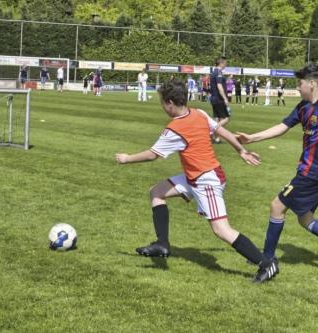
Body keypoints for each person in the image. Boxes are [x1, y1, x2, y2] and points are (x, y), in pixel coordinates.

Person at [115, 79, 278, 283]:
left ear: (170, 103)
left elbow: (152, 155)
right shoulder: (198, 113)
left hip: (206, 180)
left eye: (162, 103)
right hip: (199, 176)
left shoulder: (175, 128)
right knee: (157, 192)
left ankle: (266, 263)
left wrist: (127, 158)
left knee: (221, 229)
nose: (162, 107)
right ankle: (162, 244)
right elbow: (222, 131)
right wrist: (241, 150)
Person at [236, 63, 318, 276]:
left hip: (315, 174)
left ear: (312, 84)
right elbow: (282, 127)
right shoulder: (303, 107)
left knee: (277, 206)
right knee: (305, 219)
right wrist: (252, 137)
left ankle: (267, 258)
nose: (297, 87)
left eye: (300, 83)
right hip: (314, 173)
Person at [210, 56, 230, 144]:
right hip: (219, 98)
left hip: (214, 98)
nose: (226, 64)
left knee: (216, 118)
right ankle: (210, 132)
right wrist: (225, 98)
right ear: (221, 63)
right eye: (225, 62)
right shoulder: (218, 73)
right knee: (226, 118)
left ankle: (216, 139)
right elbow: (219, 86)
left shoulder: (214, 72)